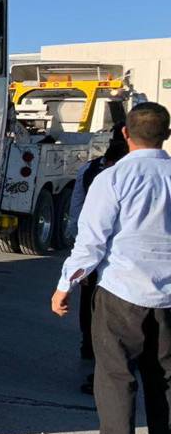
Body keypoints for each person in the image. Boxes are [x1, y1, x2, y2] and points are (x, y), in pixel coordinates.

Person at [51, 102, 171, 434]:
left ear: (125, 134)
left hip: (121, 291)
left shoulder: (113, 179)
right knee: (165, 377)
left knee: (116, 376)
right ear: (166, 135)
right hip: (169, 297)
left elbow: (91, 243)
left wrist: (64, 285)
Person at [66, 126, 129, 395]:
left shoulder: (97, 172)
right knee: (98, 307)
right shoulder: (102, 172)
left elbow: (79, 209)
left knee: (95, 306)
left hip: (103, 254)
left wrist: (74, 239)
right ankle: (100, 353)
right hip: (113, 256)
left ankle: (96, 354)